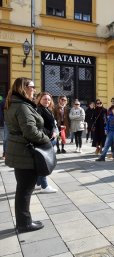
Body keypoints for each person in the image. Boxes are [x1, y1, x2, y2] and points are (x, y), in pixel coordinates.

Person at [4, 77, 50, 233]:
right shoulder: (22, 107)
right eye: (32, 86)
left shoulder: (14, 103)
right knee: (25, 190)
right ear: (24, 88)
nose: (34, 89)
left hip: (19, 149)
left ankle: (24, 221)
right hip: (25, 152)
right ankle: (24, 224)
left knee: (22, 188)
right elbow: (30, 132)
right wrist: (46, 138)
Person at [35, 92, 58, 194]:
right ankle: (44, 186)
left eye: (48, 99)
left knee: (44, 162)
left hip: (50, 139)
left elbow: (52, 123)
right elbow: (39, 126)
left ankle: (39, 182)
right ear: (39, 99)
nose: (47, 101)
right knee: (44, 163)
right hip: (44, 140)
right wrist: (50, 133)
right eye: (44, 99)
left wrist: (54, 130)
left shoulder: (48, 110)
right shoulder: (38, 110)